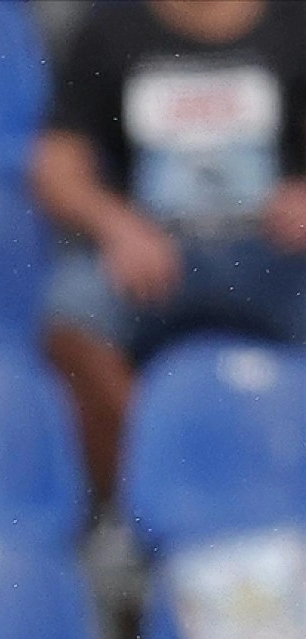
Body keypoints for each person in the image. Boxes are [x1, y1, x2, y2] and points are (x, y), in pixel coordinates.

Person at [33, 0, 306, 509]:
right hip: (154, 259)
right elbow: (55, 165)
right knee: (70, 316)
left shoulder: (295, 23)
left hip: (277, 254)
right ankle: (149, 494)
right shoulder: (112, 29)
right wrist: (116, 225)